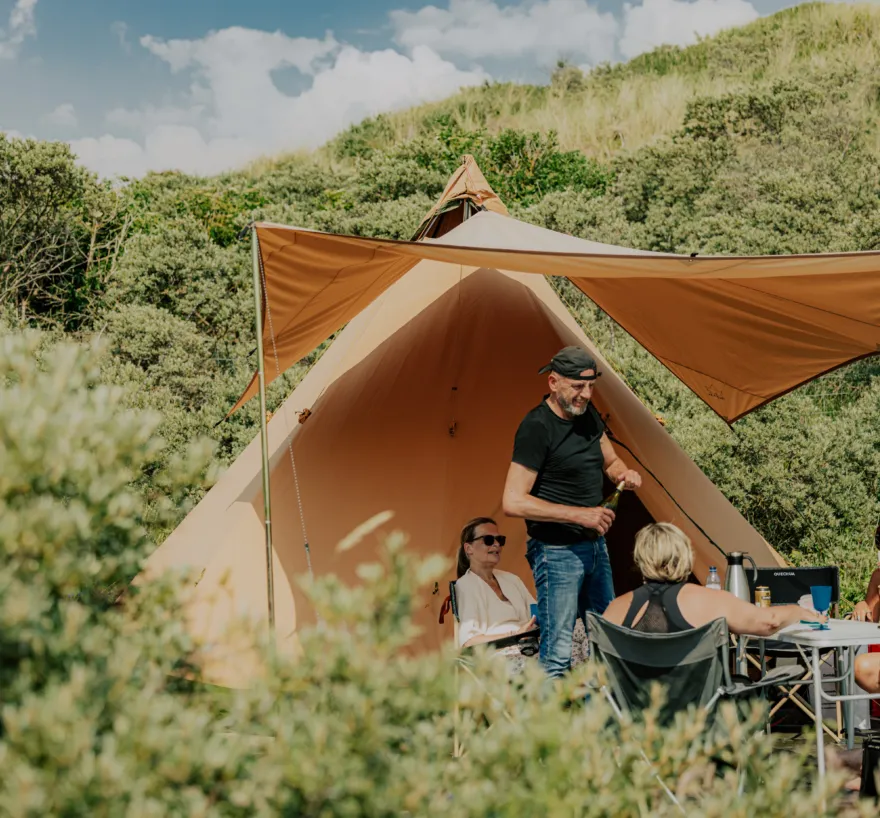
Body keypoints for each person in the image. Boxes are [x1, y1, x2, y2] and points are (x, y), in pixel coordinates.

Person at [502, 345, 642, 678]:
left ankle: (600, 726)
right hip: (555, 552)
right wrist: (581, 514)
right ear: (553, 382)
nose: (586, 394)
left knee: (606, 644)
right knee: (558, 656)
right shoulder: (536, 427)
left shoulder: (588, 416)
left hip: (595, 547)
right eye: (578, 387)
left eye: (591, 386)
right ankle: (552, 730)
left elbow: (611, 461)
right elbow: (512, 501)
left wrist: (623, 474)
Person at [603, 522, 826, 635]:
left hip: (636, 720)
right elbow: (770, 621)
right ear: (686, 556)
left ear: (640, 558)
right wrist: (799, 612)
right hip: (699, 716)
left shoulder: (615, 609)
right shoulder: (711, 600)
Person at [455, 517, 539, 672]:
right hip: (499, 654)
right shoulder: (466, 585)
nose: (497, 544)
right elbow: (470, 641)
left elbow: (536, 611)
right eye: (488, 539)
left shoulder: (511, 579)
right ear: (469, 549)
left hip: (530, 644)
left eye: (500, 539)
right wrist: (515, 634)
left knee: (581, 633)